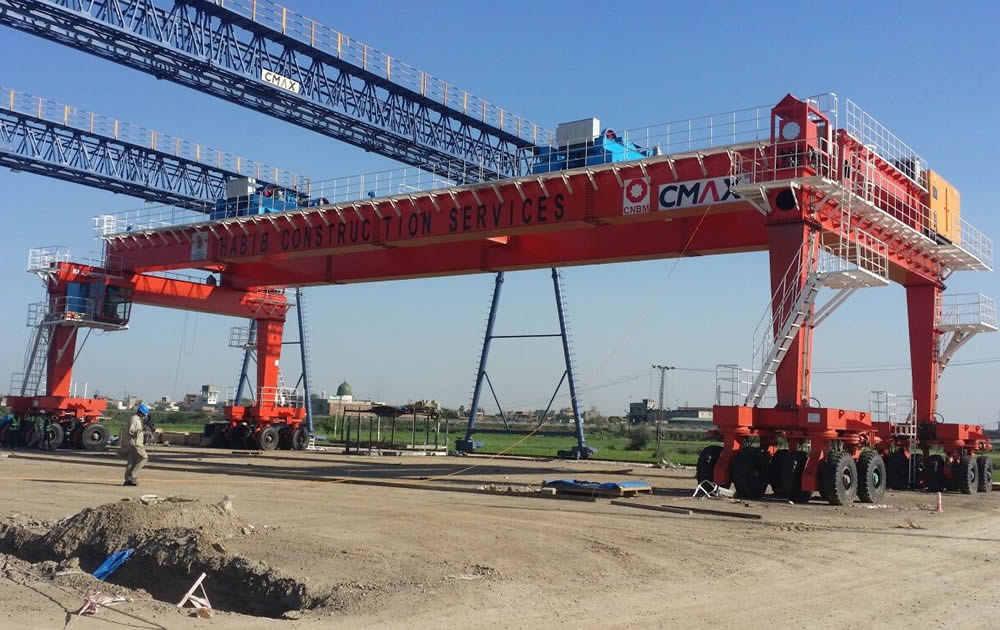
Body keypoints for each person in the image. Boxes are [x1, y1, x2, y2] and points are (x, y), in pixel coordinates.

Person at [123, 404, 150, 487]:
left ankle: (127, 480)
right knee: (144, 458)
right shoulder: (134, 419)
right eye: (144, 414)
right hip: (135, 443)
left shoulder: (136, 419)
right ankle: (132, 475)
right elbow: (132, 431)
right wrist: (142, 429)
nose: (144, 416)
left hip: (134, 442)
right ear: (141, 413)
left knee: (132, 461)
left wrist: (143, 431)